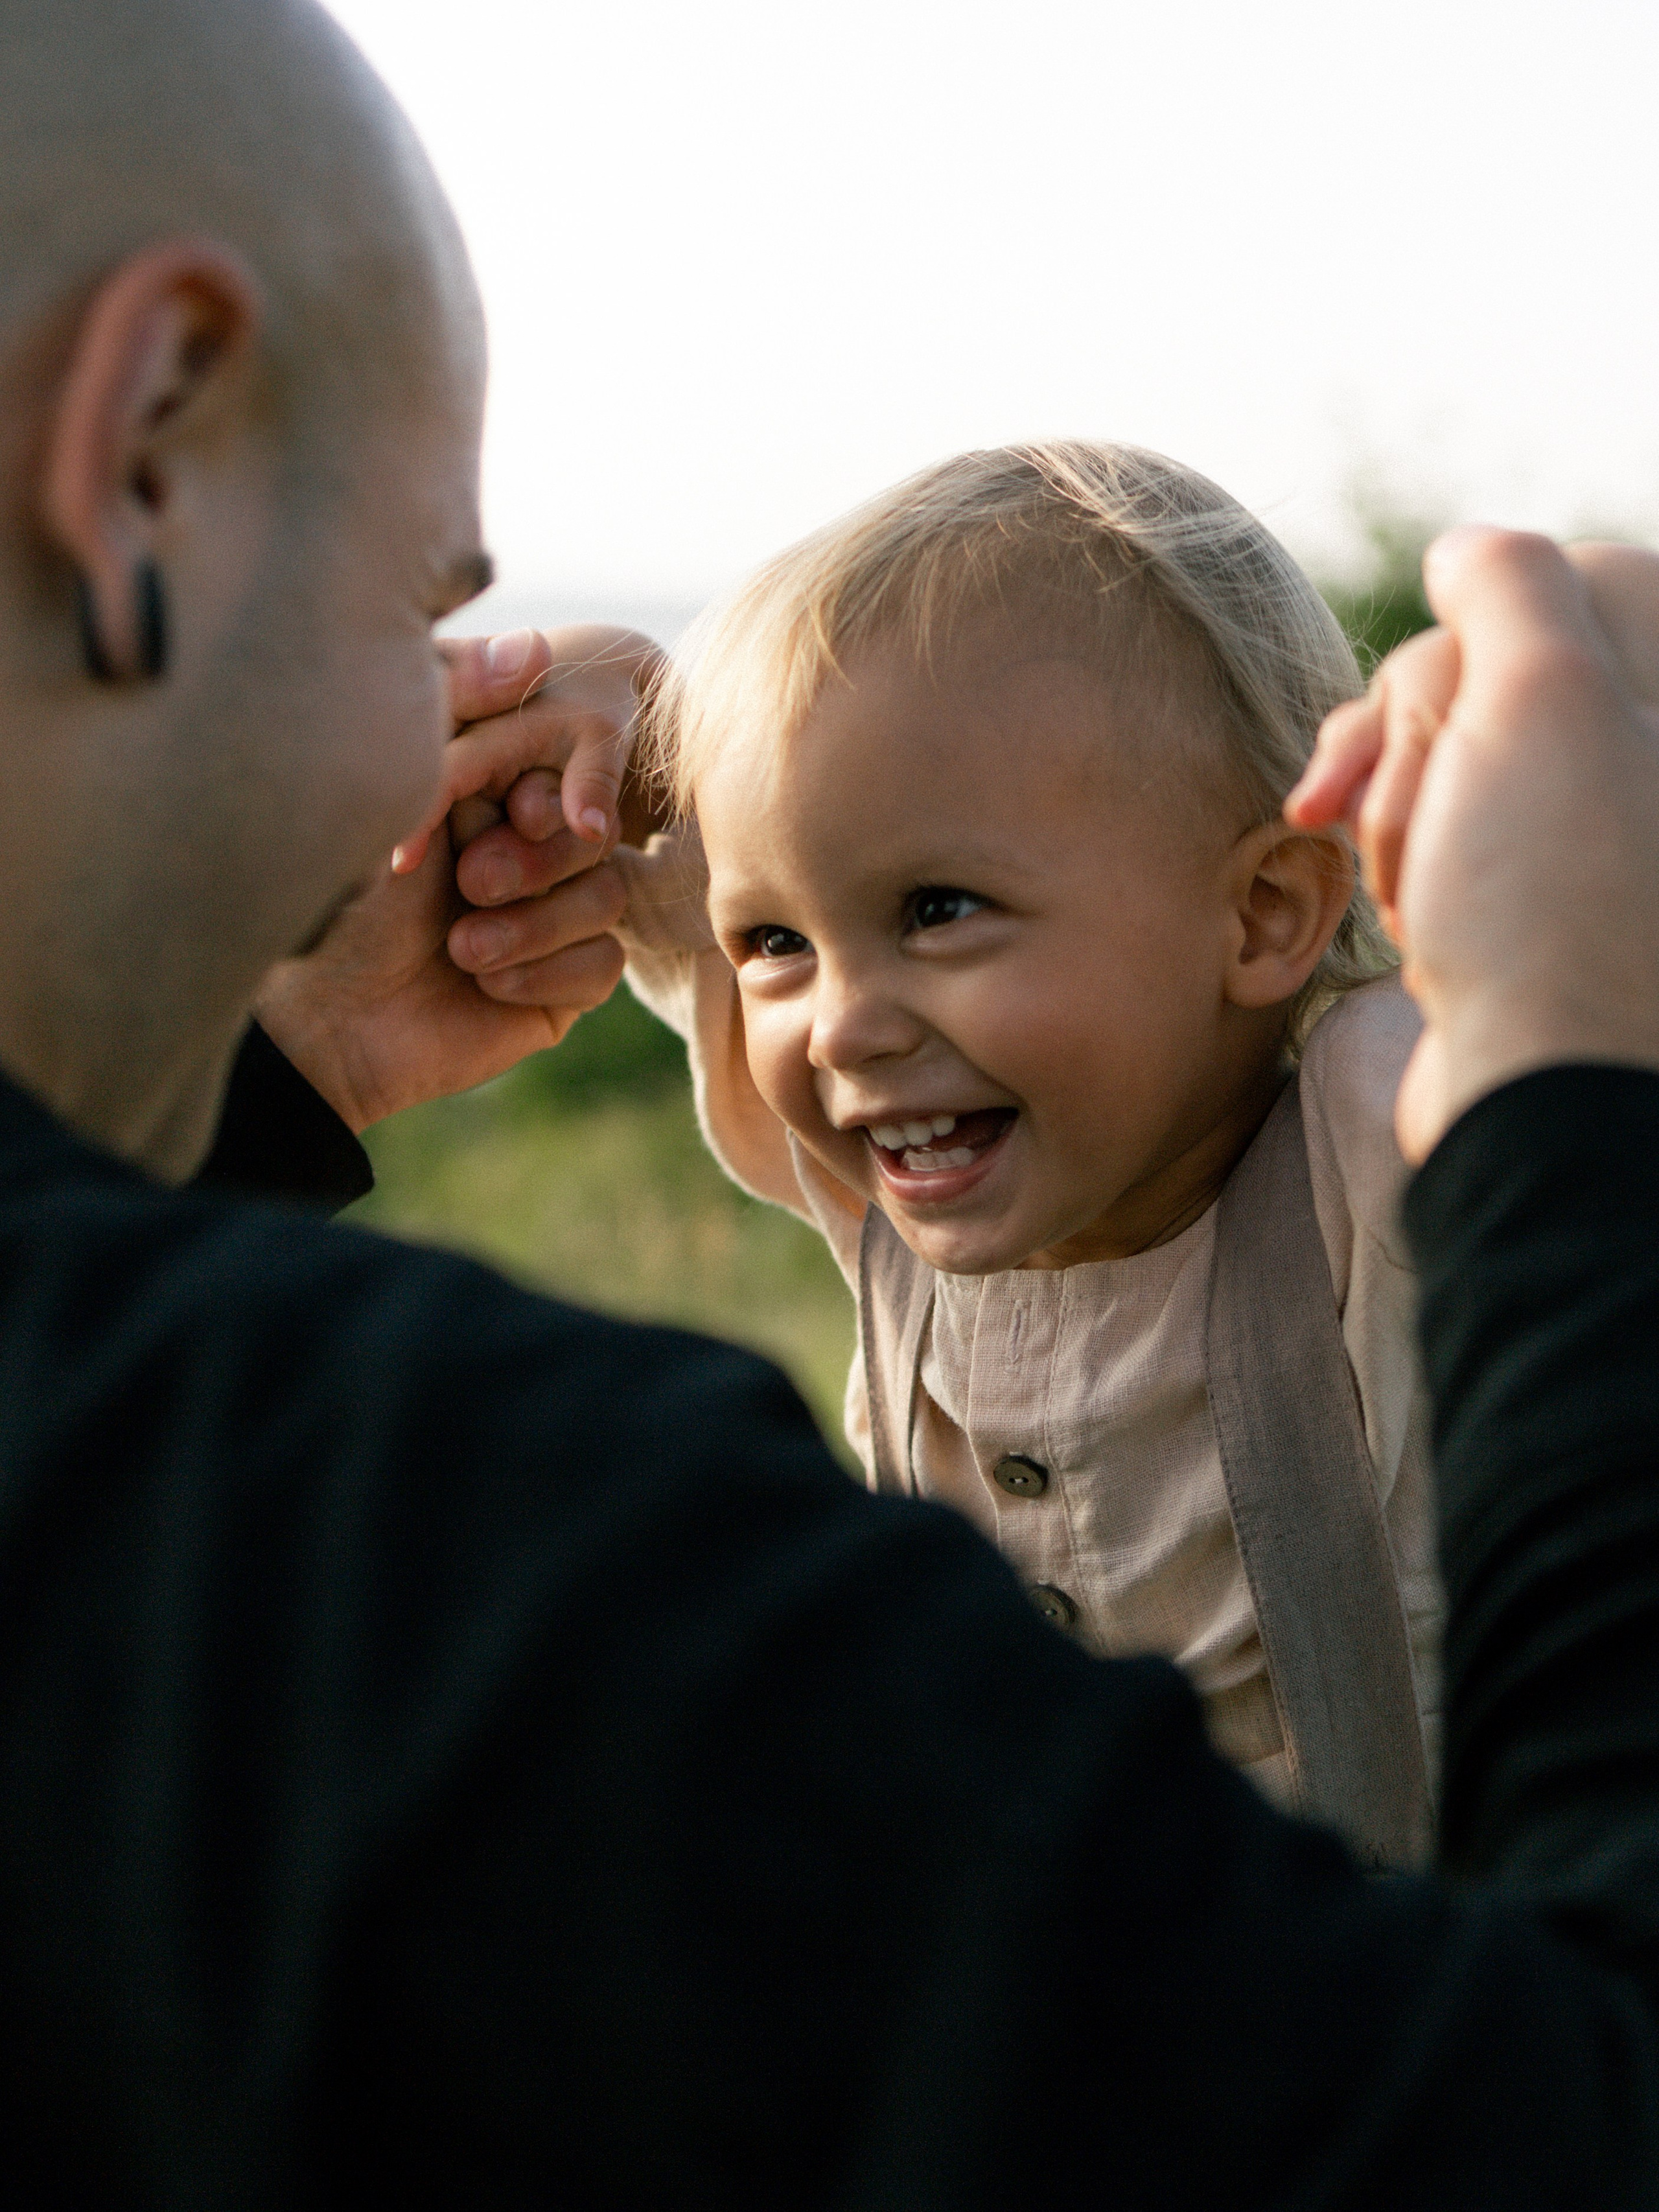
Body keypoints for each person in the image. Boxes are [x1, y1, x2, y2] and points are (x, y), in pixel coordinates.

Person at [8, 3, 1659, 2206]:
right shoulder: (458, 1572)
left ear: (1269, 907)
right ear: (140, 446)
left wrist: (263, 1074)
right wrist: (1583, 1082)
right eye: (417, 610)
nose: (429, 759)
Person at [410, 442, 1441, 1864]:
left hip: (1392, 2030)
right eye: (773, 941)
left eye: (941, 909)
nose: (838, 1026)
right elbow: (651, 845)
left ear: (1265, 912)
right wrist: (595, 703)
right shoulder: (878, 1178)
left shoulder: (1373, 1145)